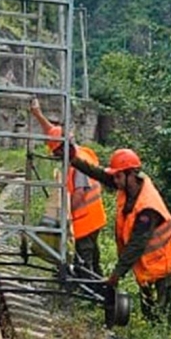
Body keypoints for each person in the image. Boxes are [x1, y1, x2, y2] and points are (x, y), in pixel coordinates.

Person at [70, 146, 171, 324]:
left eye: (118, 176)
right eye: (114, 176)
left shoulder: (147, 209)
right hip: (149, 263)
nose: (114, 180)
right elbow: (100, 174)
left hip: (163, 264)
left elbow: (136, 246)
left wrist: (116, 275)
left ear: (131, 174)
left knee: (163, 315)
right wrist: (73, 159)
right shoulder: (129, 184)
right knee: (149, 309)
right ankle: (151, 329)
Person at [29, 99, 107, 276]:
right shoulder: (78, 151)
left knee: (84, 258)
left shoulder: (78, 164)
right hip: (95, 217)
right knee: (93, 254)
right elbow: (53, 133)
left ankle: (90, 288)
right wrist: (38, 114)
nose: (55, 155)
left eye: (56, 152)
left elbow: (79, 193)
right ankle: (101, 284)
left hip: (85, 219)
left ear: (63, 149)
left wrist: (67, 217)